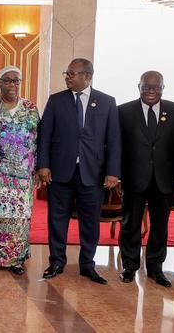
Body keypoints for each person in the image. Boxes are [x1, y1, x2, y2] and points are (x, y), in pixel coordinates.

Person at [37, 58, 120, 285]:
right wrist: (43, 165)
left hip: (92, 173)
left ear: (87, 76)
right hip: (60, 172)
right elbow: (45, 135)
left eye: (72, 74)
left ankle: (87, 264)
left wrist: (113, 172)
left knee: (90, 221)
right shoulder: (56, 101)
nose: (67, 77)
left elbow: (113, 139)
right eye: (67, 73)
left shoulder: (106, 102)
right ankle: (56, 261)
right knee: (57, 218)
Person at [117, 71, 174, 287]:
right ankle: (129, 266)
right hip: (133, 177)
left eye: (156, 87)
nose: (151, 91)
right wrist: (116, 176)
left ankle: (155, 267)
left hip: (164, 179)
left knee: (160, 226)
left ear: (163, 88)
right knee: (130, 224)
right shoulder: (124, 111)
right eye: (146, 87)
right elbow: (118, 147)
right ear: (139, 86)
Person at [0, 66, 40, 275]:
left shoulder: (30, 108)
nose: (12, 84)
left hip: (23, 176)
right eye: (7, 80)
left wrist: (38, 169)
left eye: (16, 80)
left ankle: (16, 260)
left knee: (19, 218)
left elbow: (37, 140)